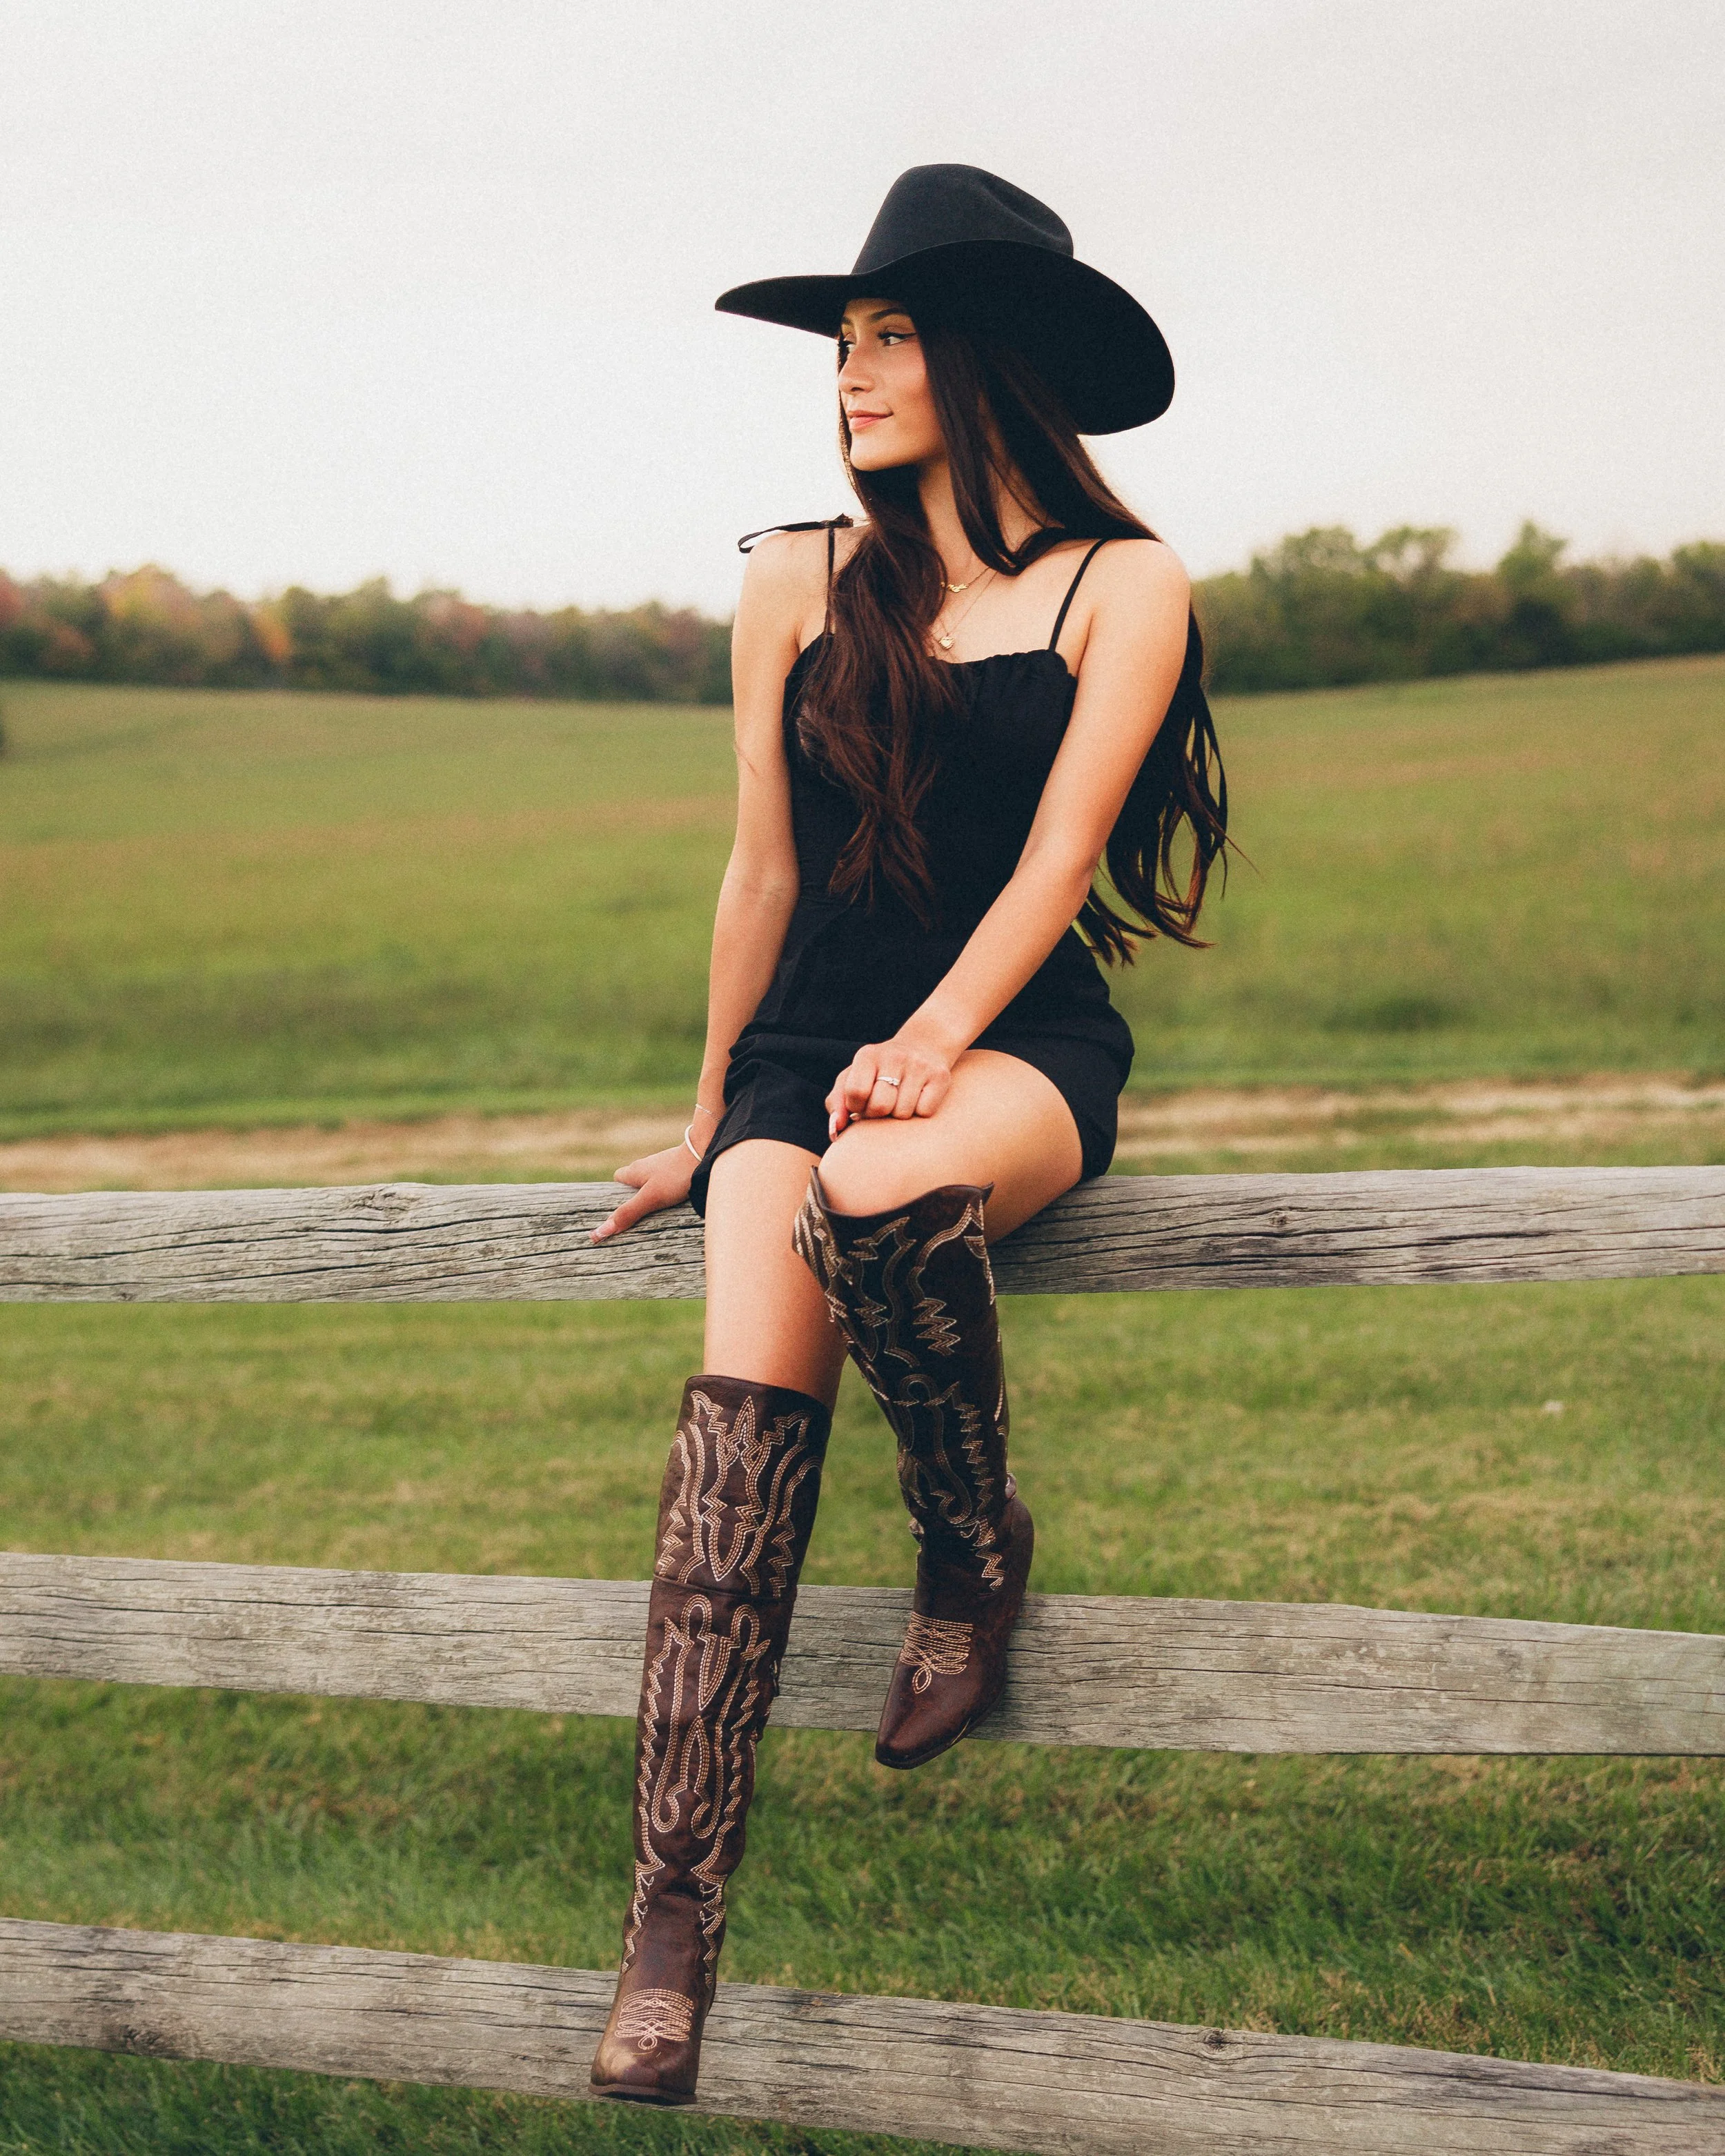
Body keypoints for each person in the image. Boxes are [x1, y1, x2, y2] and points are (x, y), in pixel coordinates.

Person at [586, 163, 1227, 2106]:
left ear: (986, 353)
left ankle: (967, 1542)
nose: (850, 376)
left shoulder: (1125, 584)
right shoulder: (792, 576)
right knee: (729, 1468)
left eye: (885, 337)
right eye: (842, 342)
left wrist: (936, 1036)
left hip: (1010, 1036)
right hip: (809, 1048)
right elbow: (760, 865)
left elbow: (1055, 862)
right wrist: (712, 1109)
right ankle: (669, 1933)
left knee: (873, 1194)